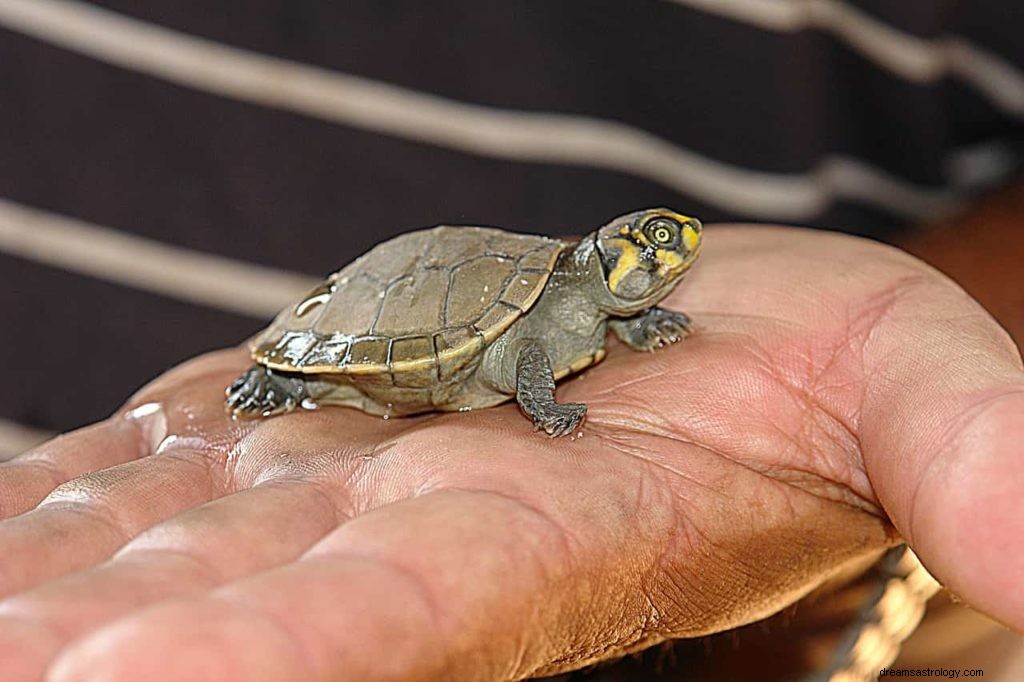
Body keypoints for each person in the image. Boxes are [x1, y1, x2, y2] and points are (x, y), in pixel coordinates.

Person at [0, 1, 1020, 680]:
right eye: (644, 248)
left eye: (667, 248)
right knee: (330, 382)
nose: (663, 251)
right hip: (375, 325)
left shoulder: (585, 300)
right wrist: (551, 410)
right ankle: (282, 370)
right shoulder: (553, 309)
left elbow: (555, 330)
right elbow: (527, 359)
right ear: (604, 261)